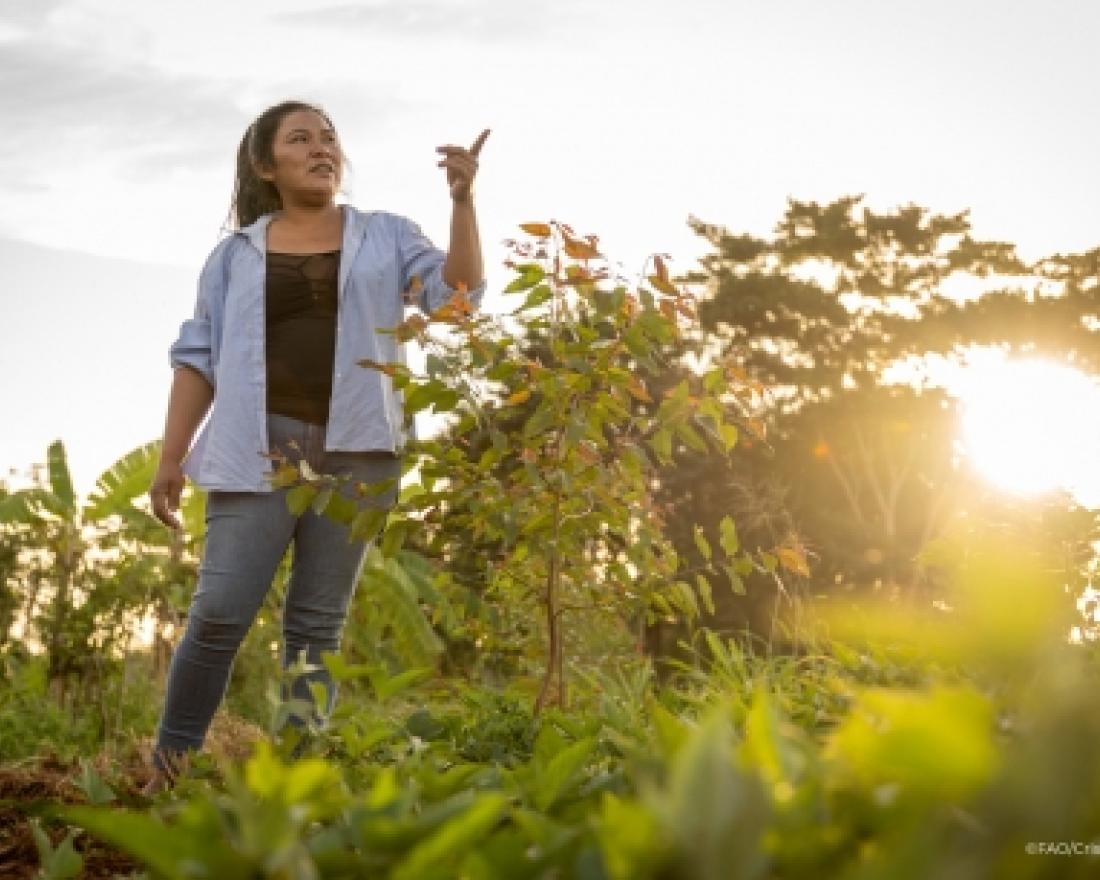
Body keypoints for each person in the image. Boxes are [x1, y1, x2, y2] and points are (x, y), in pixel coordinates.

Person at [143, 99, 490, 795]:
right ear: (266, 165)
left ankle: (299, 786)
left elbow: (457, 298)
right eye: (300, 139)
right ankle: (168, 772)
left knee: (315, 629)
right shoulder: (234, 256)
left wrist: (462, 201)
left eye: (329, 136)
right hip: (255, 453)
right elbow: (199, 357)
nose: (321, 147)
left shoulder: (387, 235)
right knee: (217, 615)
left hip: (359, 455)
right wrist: (171, 455)